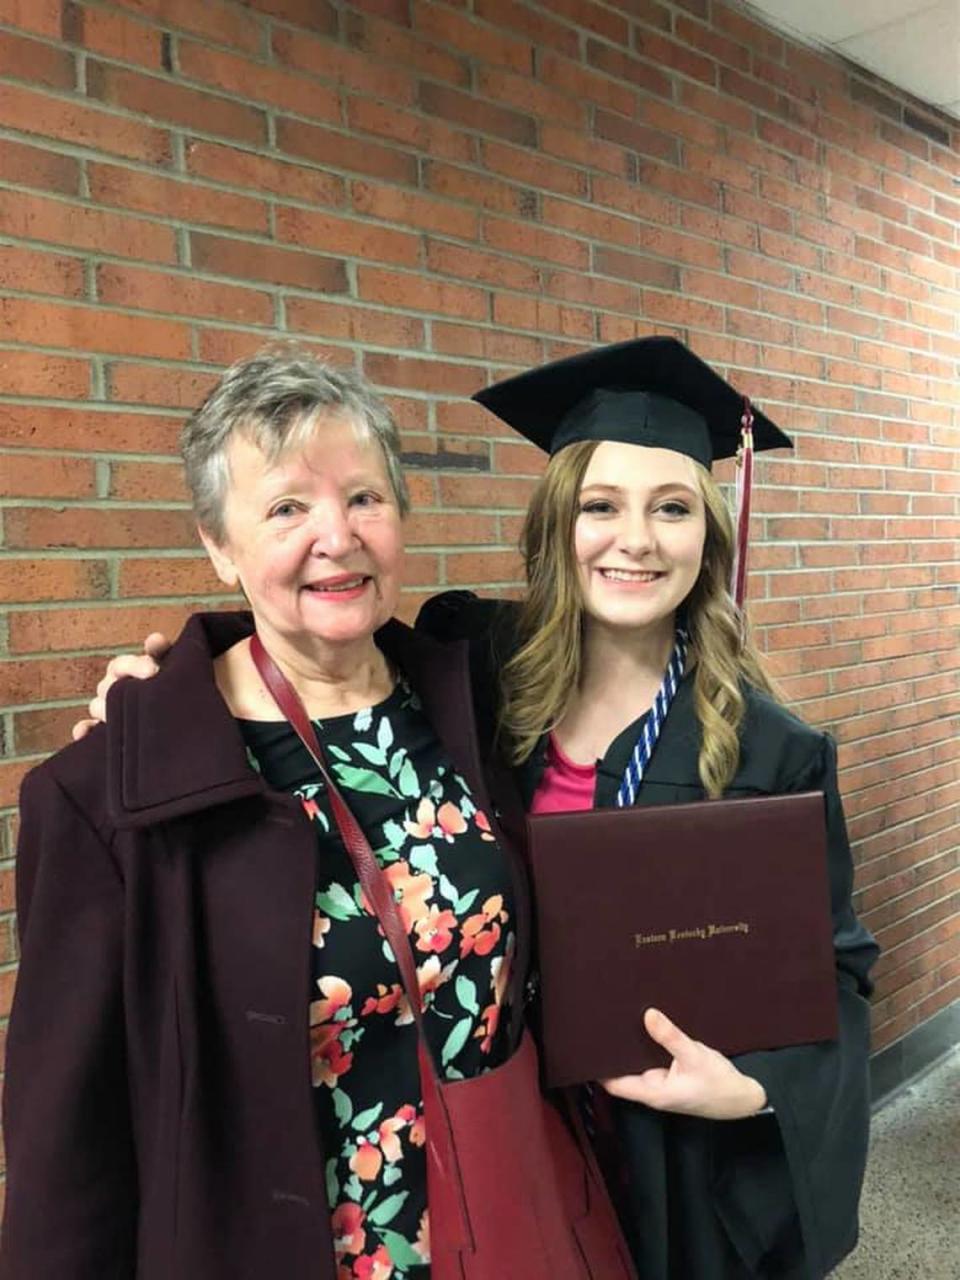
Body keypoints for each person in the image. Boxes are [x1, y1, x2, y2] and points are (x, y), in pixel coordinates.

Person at [70, 338, 878, 1278]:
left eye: (674, 509)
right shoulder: (470, 670)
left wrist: (751, 1088)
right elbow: (313, 635)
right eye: (600, 506)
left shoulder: (772, 751)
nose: (638, 540)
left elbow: (837, 969)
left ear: (711, 535)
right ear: (554, 524)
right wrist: (165, 694)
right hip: (512, 1132)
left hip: (673, 1154)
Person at [2, 350, 629, 1279]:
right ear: (218, 545)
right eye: (287, 507)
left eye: (366, 498)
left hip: (509, 1214)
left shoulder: (474, 699)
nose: (336, 536)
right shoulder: (114, 795)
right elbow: (67, 1148)